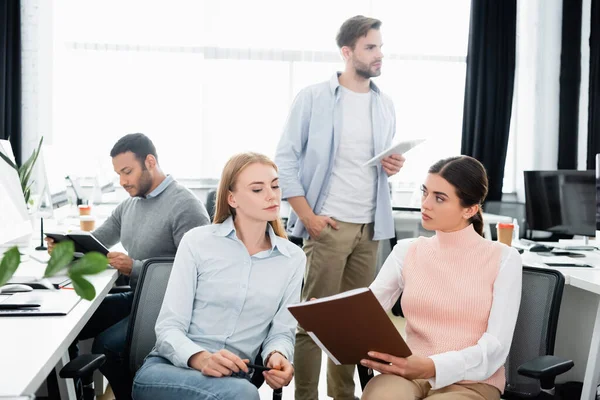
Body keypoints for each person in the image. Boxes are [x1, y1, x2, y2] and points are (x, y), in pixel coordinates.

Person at [274, 15, 404, 400]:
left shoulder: (384, 104)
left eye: (380, 46)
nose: (379, 54)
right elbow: (285, 159)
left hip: (370, 228)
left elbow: (378, 163)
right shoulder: (314, 98)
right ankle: (306, 396)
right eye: (370, 47)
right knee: (314, 322)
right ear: (347, 52)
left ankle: (344, 396)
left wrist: (392, 166)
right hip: (327, 225)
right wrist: (307, 217)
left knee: (352, 326)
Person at [46, 133, 210, 399]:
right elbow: (95, 241)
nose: (122, 181)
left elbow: (198, 273)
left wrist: (134, 267)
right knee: (70, 325)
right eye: (118, 174)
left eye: (127, 172)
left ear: (150, 162)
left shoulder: (185, 206)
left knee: (107, 346)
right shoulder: (129, 205)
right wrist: (65, 249)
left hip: (168, 306)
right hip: (138, 298)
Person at [132, 152, 306, 400]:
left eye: (275, 186)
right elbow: (168, 328)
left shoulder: (293, 258)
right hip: (168, 370)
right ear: (232, 199)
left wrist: (277, 356)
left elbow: (281, 332)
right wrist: (201, 359)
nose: (271, 195)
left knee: (239, 391)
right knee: (242, 394)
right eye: (257, 189)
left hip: (233, 379)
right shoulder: (198, 242)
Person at [361, 156, 523, 400]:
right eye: (424, 193)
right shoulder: (406, 251)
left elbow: (495, 348)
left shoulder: (504, 259)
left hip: (472, 381)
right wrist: (332, 315)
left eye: (439, 198)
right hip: (408, 373)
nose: (425, 204)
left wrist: (432, 366)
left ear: (469, 209)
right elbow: (367, 309)